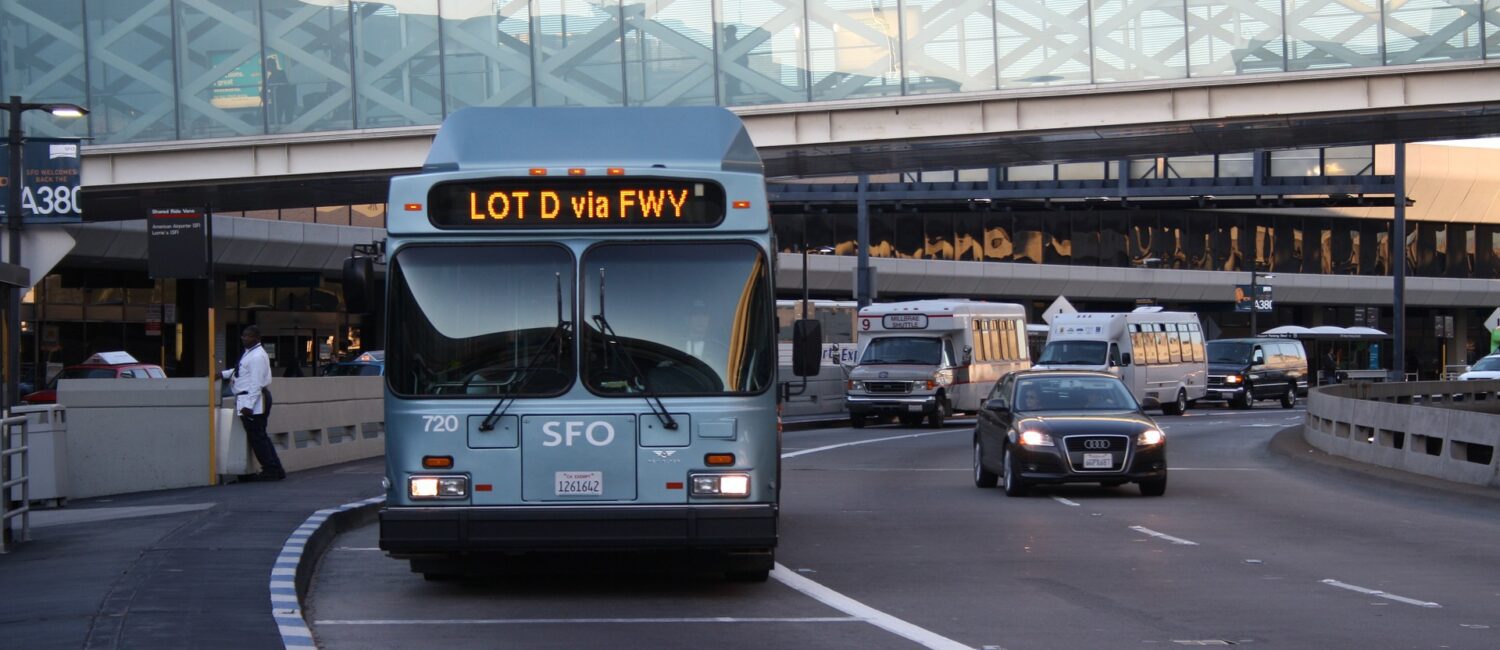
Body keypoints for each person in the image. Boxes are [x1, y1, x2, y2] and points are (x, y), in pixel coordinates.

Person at [221, 325, 283, 481]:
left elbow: (256, 383)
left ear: (256, 338)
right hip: (249, 397)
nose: (244, 338)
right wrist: (222, 374)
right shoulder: (251, 354)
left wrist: (248, 405)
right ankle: (275, 469)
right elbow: (241, 372)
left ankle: (271, 470)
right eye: (243, 335)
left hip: (252, 399)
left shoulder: (256, 356)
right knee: (260, 435)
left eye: (248, 336)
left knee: (258, 436)